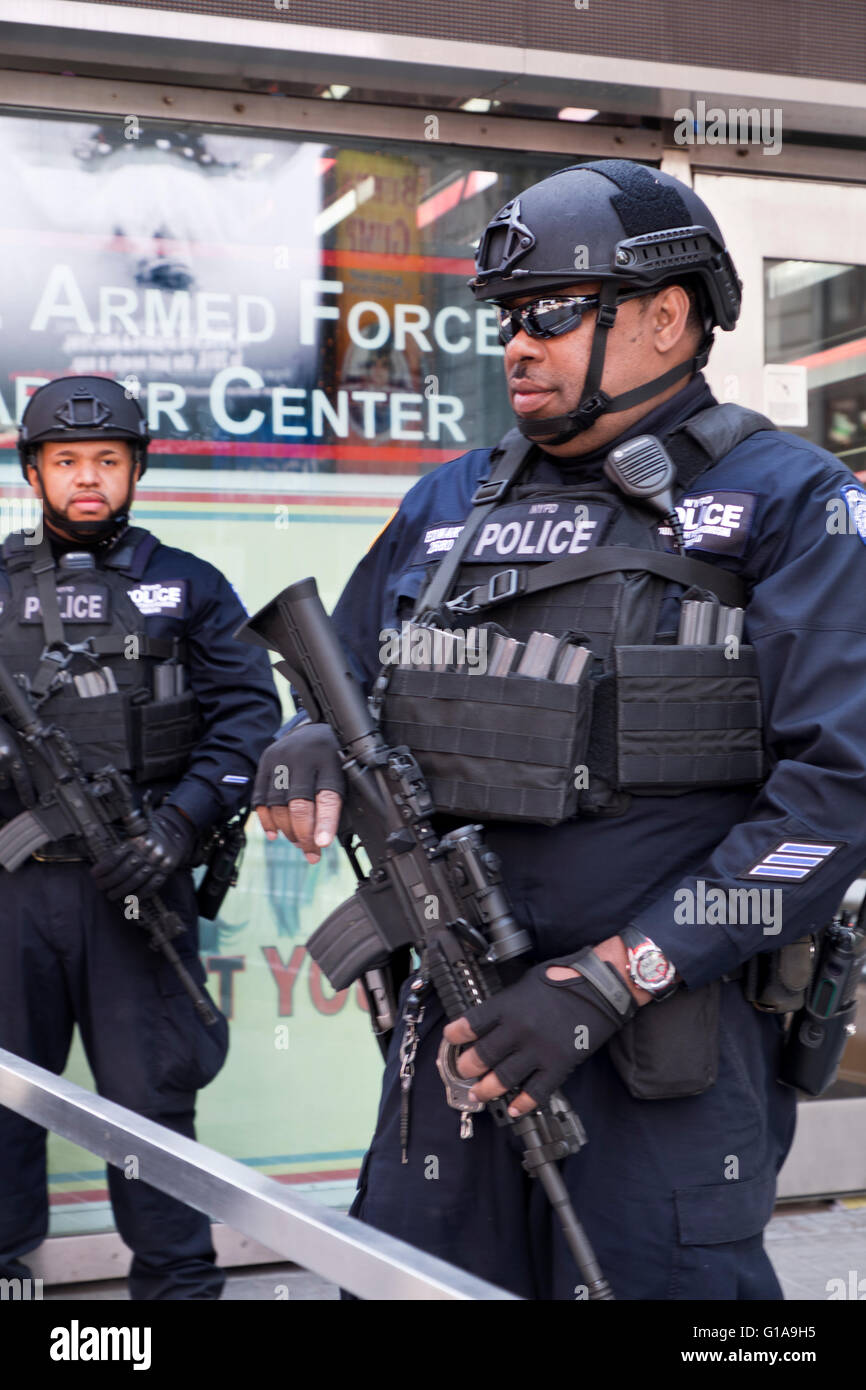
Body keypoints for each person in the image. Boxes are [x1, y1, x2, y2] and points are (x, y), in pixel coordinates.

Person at [253, 160, 866, 1300]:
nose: (516, 346)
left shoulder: (790, 503)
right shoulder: (446, 503)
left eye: (550, 313)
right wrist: (304, 740)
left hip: (661, 1052)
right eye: (503, 321)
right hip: (457, 1031)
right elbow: (338, 680)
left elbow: (834, 800)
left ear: (665, 317)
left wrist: (610, 978)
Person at [0, 376, 281, 1299]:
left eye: (107, 462)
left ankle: (176, 1293)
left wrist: (180, 823)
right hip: (13, 895)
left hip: (135, 886)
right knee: (3, 1108)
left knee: (149, 1112)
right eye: (68, 462)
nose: (88, 480)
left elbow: (248, 718)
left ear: (136, 471)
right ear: (34, 470)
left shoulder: (189, 585)